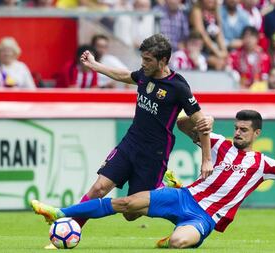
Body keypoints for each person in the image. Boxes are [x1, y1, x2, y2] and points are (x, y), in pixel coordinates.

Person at [31, 109, 275, 249]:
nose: (238, 132)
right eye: (237, 127)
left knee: (178, 243)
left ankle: (170, 237)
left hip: (203, 217)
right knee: (126, 202)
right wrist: (200, 120)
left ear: (256, 133)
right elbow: (185, 126)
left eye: (245, 130)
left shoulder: (262, 163)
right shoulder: (218, 143)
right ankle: (61, 213)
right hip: (183, 196)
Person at [70, 34, 213, 228]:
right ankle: (70, 227)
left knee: (130, 214)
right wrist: (95, 65)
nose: (143, 64)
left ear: (162, 60)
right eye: (142, 58)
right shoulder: (145, 75)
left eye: (148, 60)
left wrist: (206, 159)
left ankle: (164, 191)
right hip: (130, 143)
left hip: (154, 153)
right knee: (99, 188)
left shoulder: (178, 87)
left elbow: (202, 123)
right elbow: (123, 75)